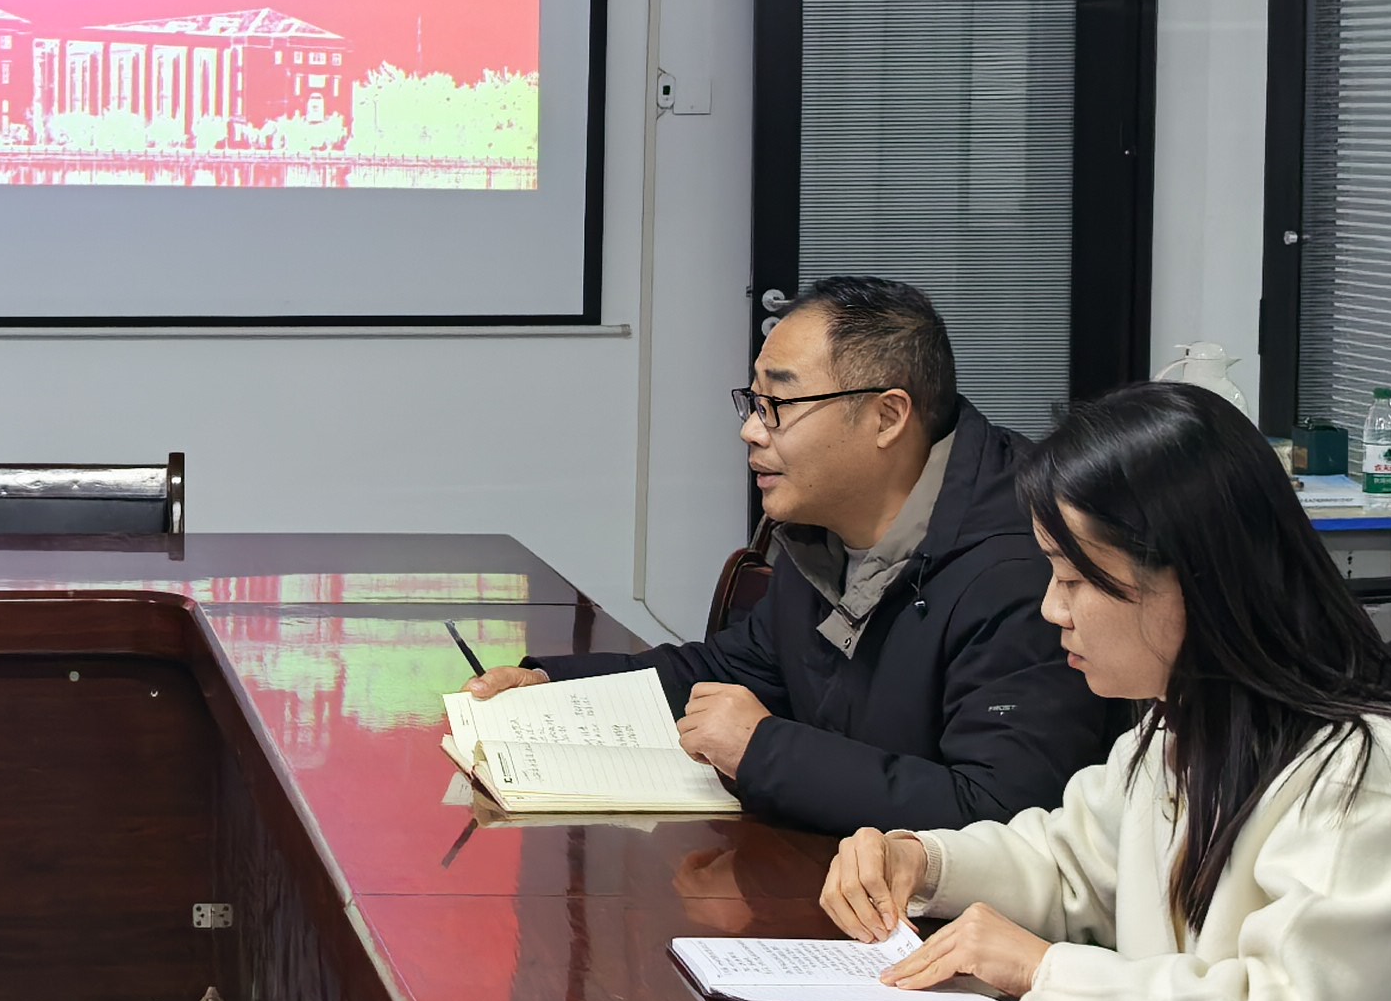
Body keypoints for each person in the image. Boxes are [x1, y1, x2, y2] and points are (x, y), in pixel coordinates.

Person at [819, 379, 1391, 1001]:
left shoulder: (1371, 774)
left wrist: (1040, 970)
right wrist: (923, 863)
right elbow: (1070, 865)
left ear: (1190, 581)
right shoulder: (1180, 728)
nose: (1052, 609)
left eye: (1073, 578)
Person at [464, 277, 1121, 831]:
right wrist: (551, 689)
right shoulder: (827, 526)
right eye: (754, 403)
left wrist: (763, 749)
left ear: (887, 417)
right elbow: (733, 669)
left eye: (778, 403)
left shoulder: (1025, 566)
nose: (751, 430)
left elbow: (1001, 813)